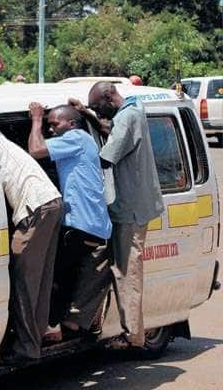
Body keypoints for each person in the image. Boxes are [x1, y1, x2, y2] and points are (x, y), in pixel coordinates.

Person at [82, 81, 164, 348]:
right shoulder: (133, 108)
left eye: (98, 106)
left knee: (127, 272)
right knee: (107, 266)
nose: (99, 111)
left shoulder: (127, 117)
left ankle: (133, 337)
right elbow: (112, 130)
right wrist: (87, 114)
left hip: (130, 209)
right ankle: (82, 320)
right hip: (133, 205)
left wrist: (74, 151)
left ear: (108, 96)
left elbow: (106, 157)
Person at [27, 103, 113, 340]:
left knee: (54, 277)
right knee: (71, 278)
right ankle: (68, 323)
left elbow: (36, 149)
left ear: (72, 124)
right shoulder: (81, 140)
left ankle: (52, 325)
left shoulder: (76, 138)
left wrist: (36, 120)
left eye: (54, 124)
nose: (51, 129)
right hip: (90, 224)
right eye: (48, 124)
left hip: (81, 225)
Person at [0, 127, 63, 361]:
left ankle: (26, 348)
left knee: (23, 281)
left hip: (35, 208)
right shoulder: (2, 144)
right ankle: (37, 337)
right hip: (49, 203)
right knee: (39, 280)